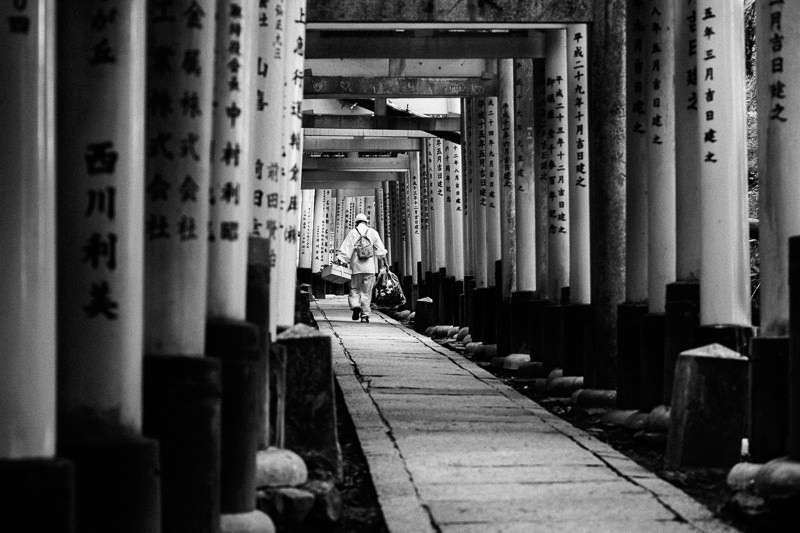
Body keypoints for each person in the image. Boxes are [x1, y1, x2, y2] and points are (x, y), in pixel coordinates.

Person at [336, 213, 387, 323]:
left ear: (356, 222)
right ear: (366, 222)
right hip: (370, 269)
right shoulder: (373, 232)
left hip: (356, 268)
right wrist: (384, 261)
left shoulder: (353, 232)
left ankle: (355, 305)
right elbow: (381, 251)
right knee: (367, 293)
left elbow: (345, 249)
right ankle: (365, 316)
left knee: (355, 289)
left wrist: (341, 261)